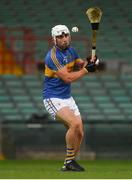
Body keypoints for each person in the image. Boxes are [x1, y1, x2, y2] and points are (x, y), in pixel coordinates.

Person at [43, 25, 99, 171]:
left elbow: (81, 64)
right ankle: (69, 162)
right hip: (53, 97)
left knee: (80, 131)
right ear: (54, 39)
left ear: (69, 36)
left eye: (66, 35)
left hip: (67, 97)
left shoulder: (72, 51)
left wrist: (91, 62)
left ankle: (70, 162)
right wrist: (87, 70)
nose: (64, 39)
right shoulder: (52, 57)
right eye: (60, 37)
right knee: (74, 124)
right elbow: (68, 78)